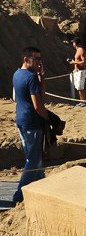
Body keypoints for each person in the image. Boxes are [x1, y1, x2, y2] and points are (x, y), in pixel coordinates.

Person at [12, 46, 49, 203]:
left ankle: (43, 187)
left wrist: (41, 74)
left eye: (40, 59)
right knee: (33, 160)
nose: (39, 62)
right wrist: (48, 118)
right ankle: (19, 195)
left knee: (35, 158)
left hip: (21, 119)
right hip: (32, 122)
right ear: (26, 59)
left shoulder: (17, 74)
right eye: (36, 59)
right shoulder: (30, 78)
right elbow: (38, 104)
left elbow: (41, 93)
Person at [70, 37, 86, 106]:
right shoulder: (78, 50)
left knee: (80, 87)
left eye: (73, 42)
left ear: (75, 43)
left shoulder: (81, 50)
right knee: (78, 87)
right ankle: (81, 101)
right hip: (77, 71)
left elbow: (84, 62)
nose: (73, 44)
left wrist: (74, 63)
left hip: (81, 71)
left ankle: (83, 101)